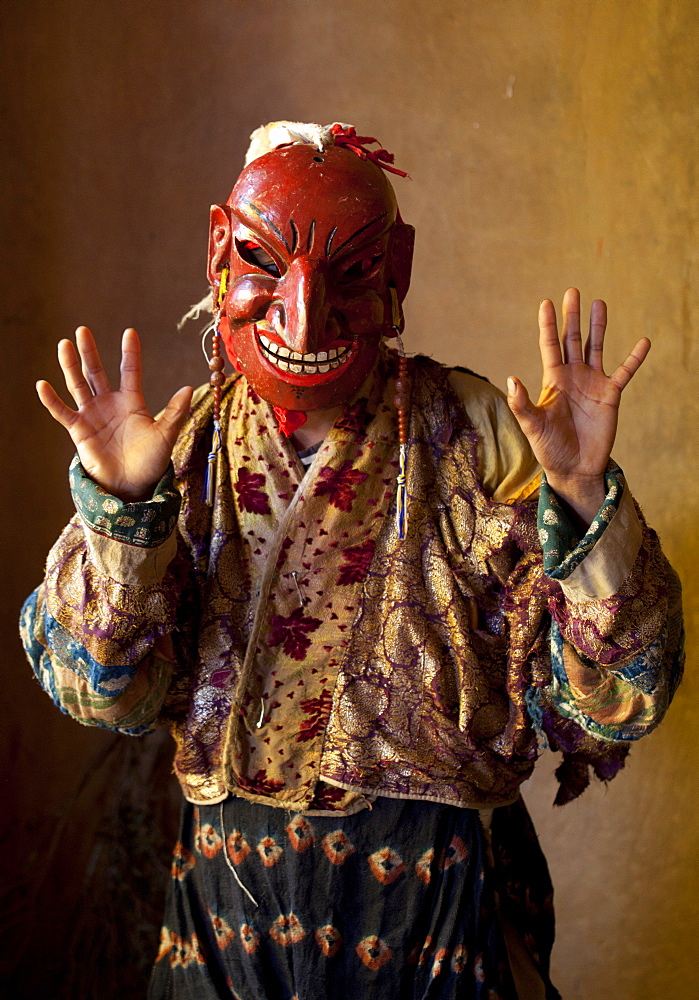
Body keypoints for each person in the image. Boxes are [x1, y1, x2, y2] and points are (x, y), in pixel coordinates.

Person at [21, 122, 684, 1000]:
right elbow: (101, 691)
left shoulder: (482, 435)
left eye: (351, 272)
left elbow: (616, 701)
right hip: (228, 893)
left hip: (433, 892)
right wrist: (121, 517)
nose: (304, 314)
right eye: (266, 265)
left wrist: (581, 500)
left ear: (396, 272)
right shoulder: (184, 450)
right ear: (219, 254)